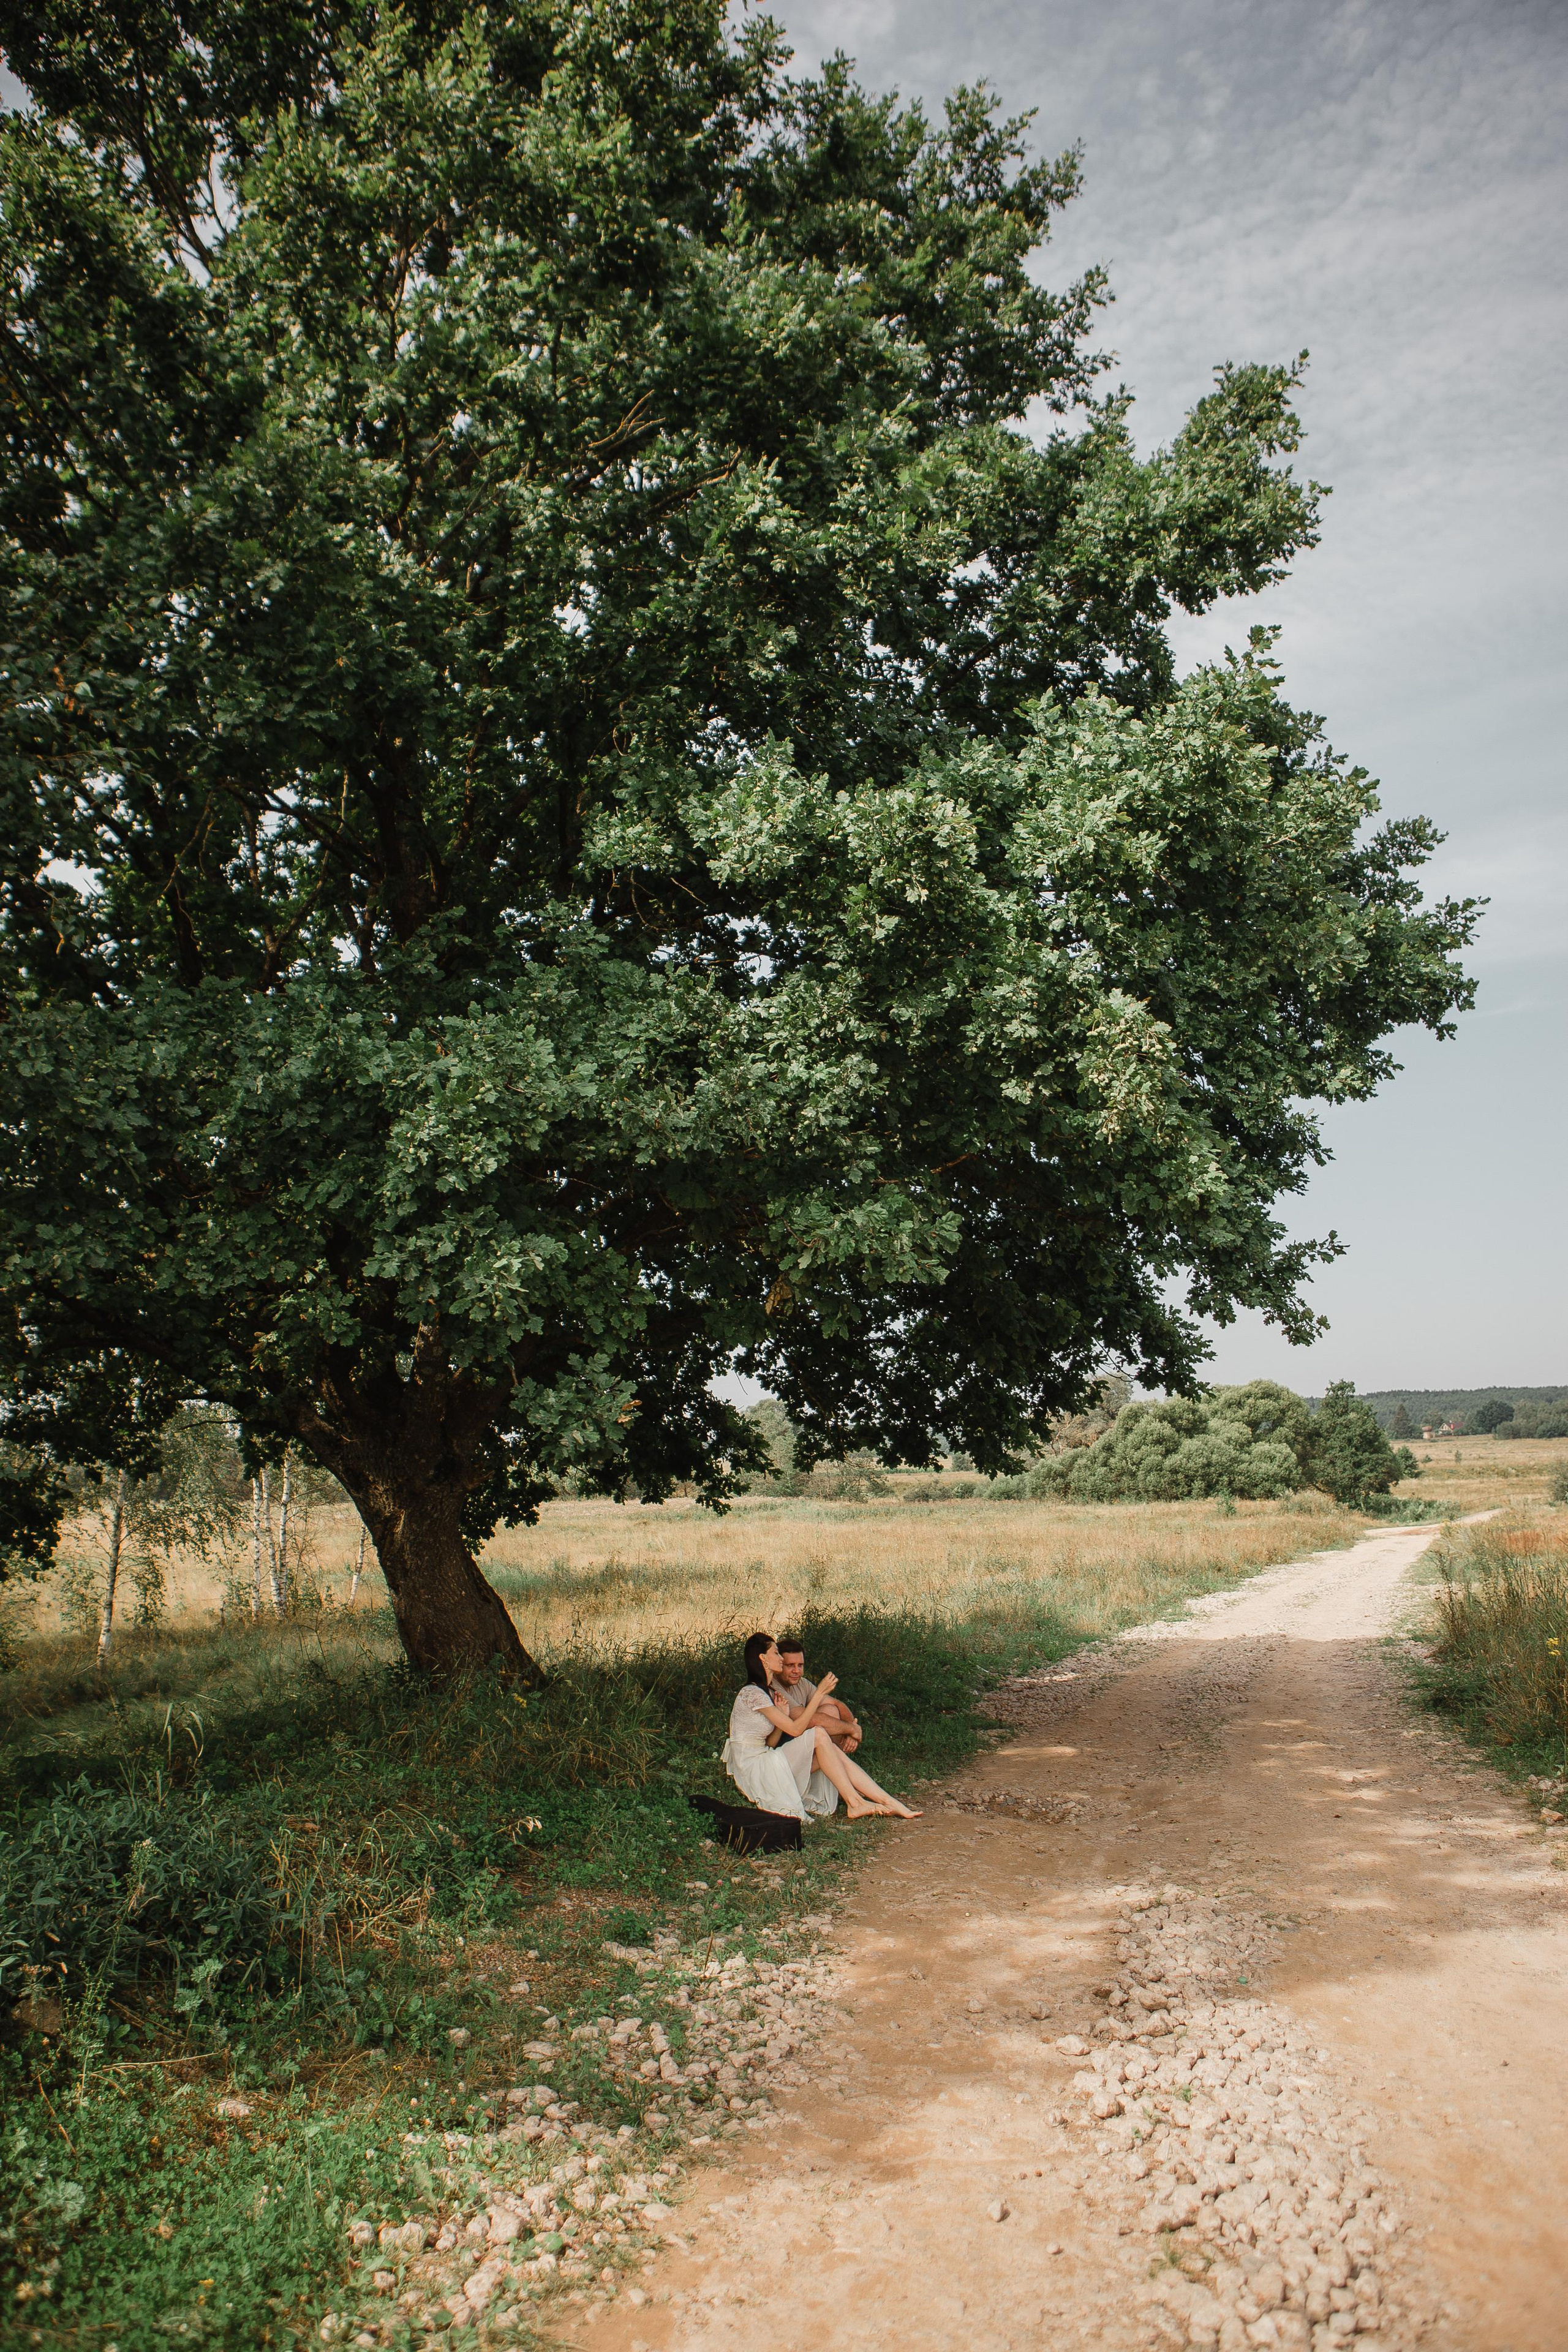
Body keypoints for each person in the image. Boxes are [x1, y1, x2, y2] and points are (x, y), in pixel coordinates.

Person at [722, 1635, 921, 1823]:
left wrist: (781, 1716)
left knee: (830, 1748)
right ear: (763, 1659)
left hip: (766, 1757)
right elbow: (796, 1729)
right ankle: (857, 1802)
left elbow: (771, 1743)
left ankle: (885, 1801)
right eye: (776, 1653)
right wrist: (820, 1693)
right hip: (753, 1769)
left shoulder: (766, 1692)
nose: (781, 1658)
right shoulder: (752, 1693)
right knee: (818, 1734)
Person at [772, 1637, 861, 1753]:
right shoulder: (774, 1686)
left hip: (800, 1740)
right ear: (779, 1664)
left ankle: (833, 1761)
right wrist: (852, 1729)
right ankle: (834, 1762)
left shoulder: (802, 1683)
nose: (796, 1671)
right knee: (821, 1723)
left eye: (800, 1665)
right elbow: (808, 1719)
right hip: (779, 1748)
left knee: (831, 1709)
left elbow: (836, 1703)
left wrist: (852, 1730)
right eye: (790, 1665)